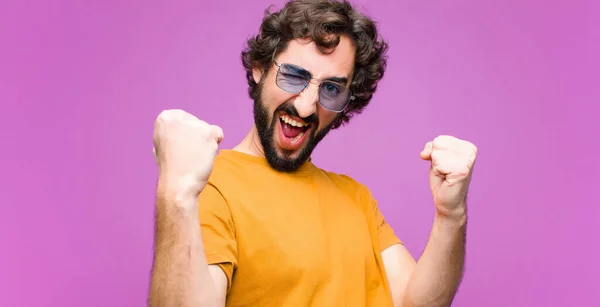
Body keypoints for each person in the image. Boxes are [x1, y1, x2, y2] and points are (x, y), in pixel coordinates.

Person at [149, 0, 477, 306]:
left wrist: (451, 215)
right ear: (260, 69)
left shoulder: (356, 198)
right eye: (294, 75)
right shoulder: (210, 184)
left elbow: (416, 301)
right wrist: (177, 194)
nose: (306, 106)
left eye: (331, 89)